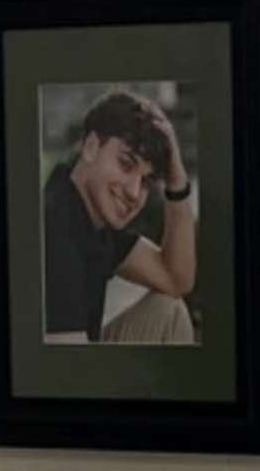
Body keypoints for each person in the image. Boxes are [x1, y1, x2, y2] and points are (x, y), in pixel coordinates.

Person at [39, 85, 196, 346]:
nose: (135, 193)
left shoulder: (92, 222)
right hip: (56, 378)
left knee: (168, 312)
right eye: (126, 163)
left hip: (81, 361)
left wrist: (176, 181)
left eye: (146, 181)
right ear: (90, 146)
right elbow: (64, 376)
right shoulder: (54, 228)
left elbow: (176, 279)